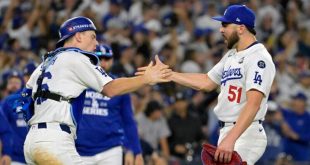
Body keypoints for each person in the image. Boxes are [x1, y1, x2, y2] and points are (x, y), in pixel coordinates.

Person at [137, 4, 276, 165]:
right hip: (230, 131)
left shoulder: (258, 58)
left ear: (241, 28)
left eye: (225, 25)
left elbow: (253, 104)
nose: (221, 30)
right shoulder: (232, 55)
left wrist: (231, 139)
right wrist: (169, 74)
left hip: (246, 133)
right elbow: (207, 81)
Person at [23, 16, 171, 165]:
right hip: (54, 140)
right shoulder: (76, 57)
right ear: (79, 36)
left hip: (33, 139)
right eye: (93, 37)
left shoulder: (45, 63)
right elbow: (111, 89)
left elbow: (22, 99)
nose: (97, 42)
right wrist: (146, 78)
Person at [75, 44, 143, 165]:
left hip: (110, 149)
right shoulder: (78, 83)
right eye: (99, 58)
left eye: (107, 59)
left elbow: (128, 121)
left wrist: (135, 150)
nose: (103, 63)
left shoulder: (119, 86)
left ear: (112, 60)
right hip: (78, 150)